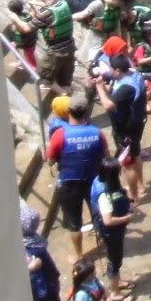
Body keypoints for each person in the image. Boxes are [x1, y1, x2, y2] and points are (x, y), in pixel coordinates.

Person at [46, 98, 109, 261]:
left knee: (74, 222)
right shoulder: (97, 132)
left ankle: (79, 256)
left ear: (68, 112)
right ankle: (105, 246)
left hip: (69, 181)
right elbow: (106, 156)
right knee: (99, 213)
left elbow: (50, 160)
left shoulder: (60, 134)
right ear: (86, 112)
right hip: (94, 180)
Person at [94, 53, 147, 197]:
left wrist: (99, 88)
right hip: (137, 122)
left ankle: (134, 196)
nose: (109, 71)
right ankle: (141, 186)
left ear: (118, 70)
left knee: (127, 163)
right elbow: (116, 89)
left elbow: (108, 105)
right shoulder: (134, 74)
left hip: (126, 128)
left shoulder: (127, 87)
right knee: (135, 154)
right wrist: (103, 79)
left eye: (111, 68)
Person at [91, 157, 139, 301]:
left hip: (116, 230)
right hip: (111, 232)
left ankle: (118, 281)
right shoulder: (104, 194)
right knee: (114, 260)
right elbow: (108, 220)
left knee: (116, 258)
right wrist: (127, 218)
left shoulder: (101, 180)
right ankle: (114, 293)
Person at [30, 0, 77, 109]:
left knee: (43, 74)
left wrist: (14, 17)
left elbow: (26, 28)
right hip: (70, 46)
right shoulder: (63, 3)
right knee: (65, 80)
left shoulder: (46, 13)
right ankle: (73, 103)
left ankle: (64, 96)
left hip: (56, 50)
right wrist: (35, 4)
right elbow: (51, 8)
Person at [75, 0, 137, 64]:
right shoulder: (97, 5)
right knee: (93, 63)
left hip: (110, 39)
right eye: (120, 3)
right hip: (97, 39)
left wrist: (119, 39)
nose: (121, 6)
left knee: (112, 62)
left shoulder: (116, 8)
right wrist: (68, 18)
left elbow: (117, 24)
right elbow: (82, 15)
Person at [3, 0, 38, 70]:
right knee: (13, 45)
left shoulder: (17, 21)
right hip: (31, 40)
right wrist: (31, 5)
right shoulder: (27, 15)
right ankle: (20, 61)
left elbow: (16, 28)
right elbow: (34, 12)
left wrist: (13, 21)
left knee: (30, 58)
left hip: (26, 43)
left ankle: (33, 71)